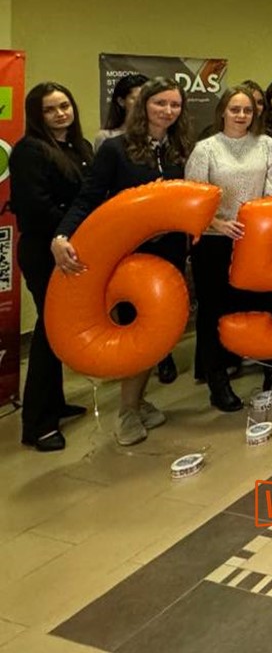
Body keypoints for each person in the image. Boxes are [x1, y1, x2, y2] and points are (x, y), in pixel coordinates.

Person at [53, 77, 192, 446]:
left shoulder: (179, 150)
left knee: (158, 332)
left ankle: (138, 400)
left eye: (174, 105)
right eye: (160, 103)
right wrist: (62, 236)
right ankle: (127, 412)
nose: (167, 111)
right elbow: (88, 198)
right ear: (143, 105)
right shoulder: (116, 149)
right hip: (133, 258)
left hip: (170, 253)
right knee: (138, 333)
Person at [185, 85, 272, 411]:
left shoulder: (266, 144)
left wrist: (262, 226)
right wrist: (218, 222)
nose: (242, 115)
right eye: (235, 109)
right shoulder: (206, 149)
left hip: (256, 240)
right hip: (215, 241)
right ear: (222, 112)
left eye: (247, 110)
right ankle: (218, 384)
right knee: (214, 311)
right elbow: (192, 198)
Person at [10, 82, 92, 451]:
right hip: (45, 251)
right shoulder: (30, 150)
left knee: (58, 329)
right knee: (48, 331)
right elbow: (35, 207)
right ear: (37, 115)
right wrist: (72, 228)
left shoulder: (79, 147)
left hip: (73, 250)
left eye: (64, 105)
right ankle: (37, 424)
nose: (60, 114)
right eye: (50, 109)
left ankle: (55, 403)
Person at [94, 73, 148, 151]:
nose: (142, 103)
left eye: (146, 99)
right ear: (121, 101)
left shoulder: (157, 136)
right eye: (136, 99)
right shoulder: (106, 137)